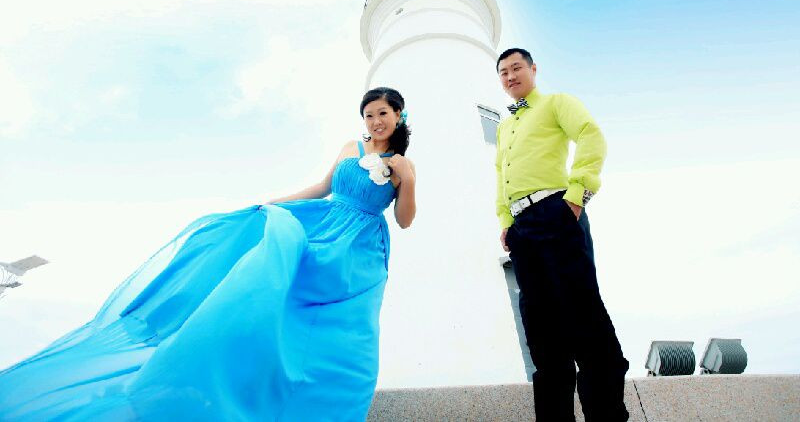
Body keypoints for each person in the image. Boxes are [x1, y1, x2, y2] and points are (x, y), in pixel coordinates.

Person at [0, 87, 416, 422]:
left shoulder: (402, 165)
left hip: (360, 251)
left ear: (398, 115)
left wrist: (407, 180)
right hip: (321, 227)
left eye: (382, 113)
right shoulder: (350, 148)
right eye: (368, 115)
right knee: (270, 287)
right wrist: (271, 204)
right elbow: (321, 188)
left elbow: (404, 219)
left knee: (346, 334)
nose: (375, 121)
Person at [495, 48, 629, 421]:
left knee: (583, 316)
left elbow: (591, 135)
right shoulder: (504, 127)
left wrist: (578, 194)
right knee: (540, 331)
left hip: (556, 212)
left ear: (533, 69)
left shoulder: (556, 103)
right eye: (503, 72)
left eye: (517, 68)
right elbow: (501, 173)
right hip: (521, 230)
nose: (510, 76)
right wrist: (505, 220)